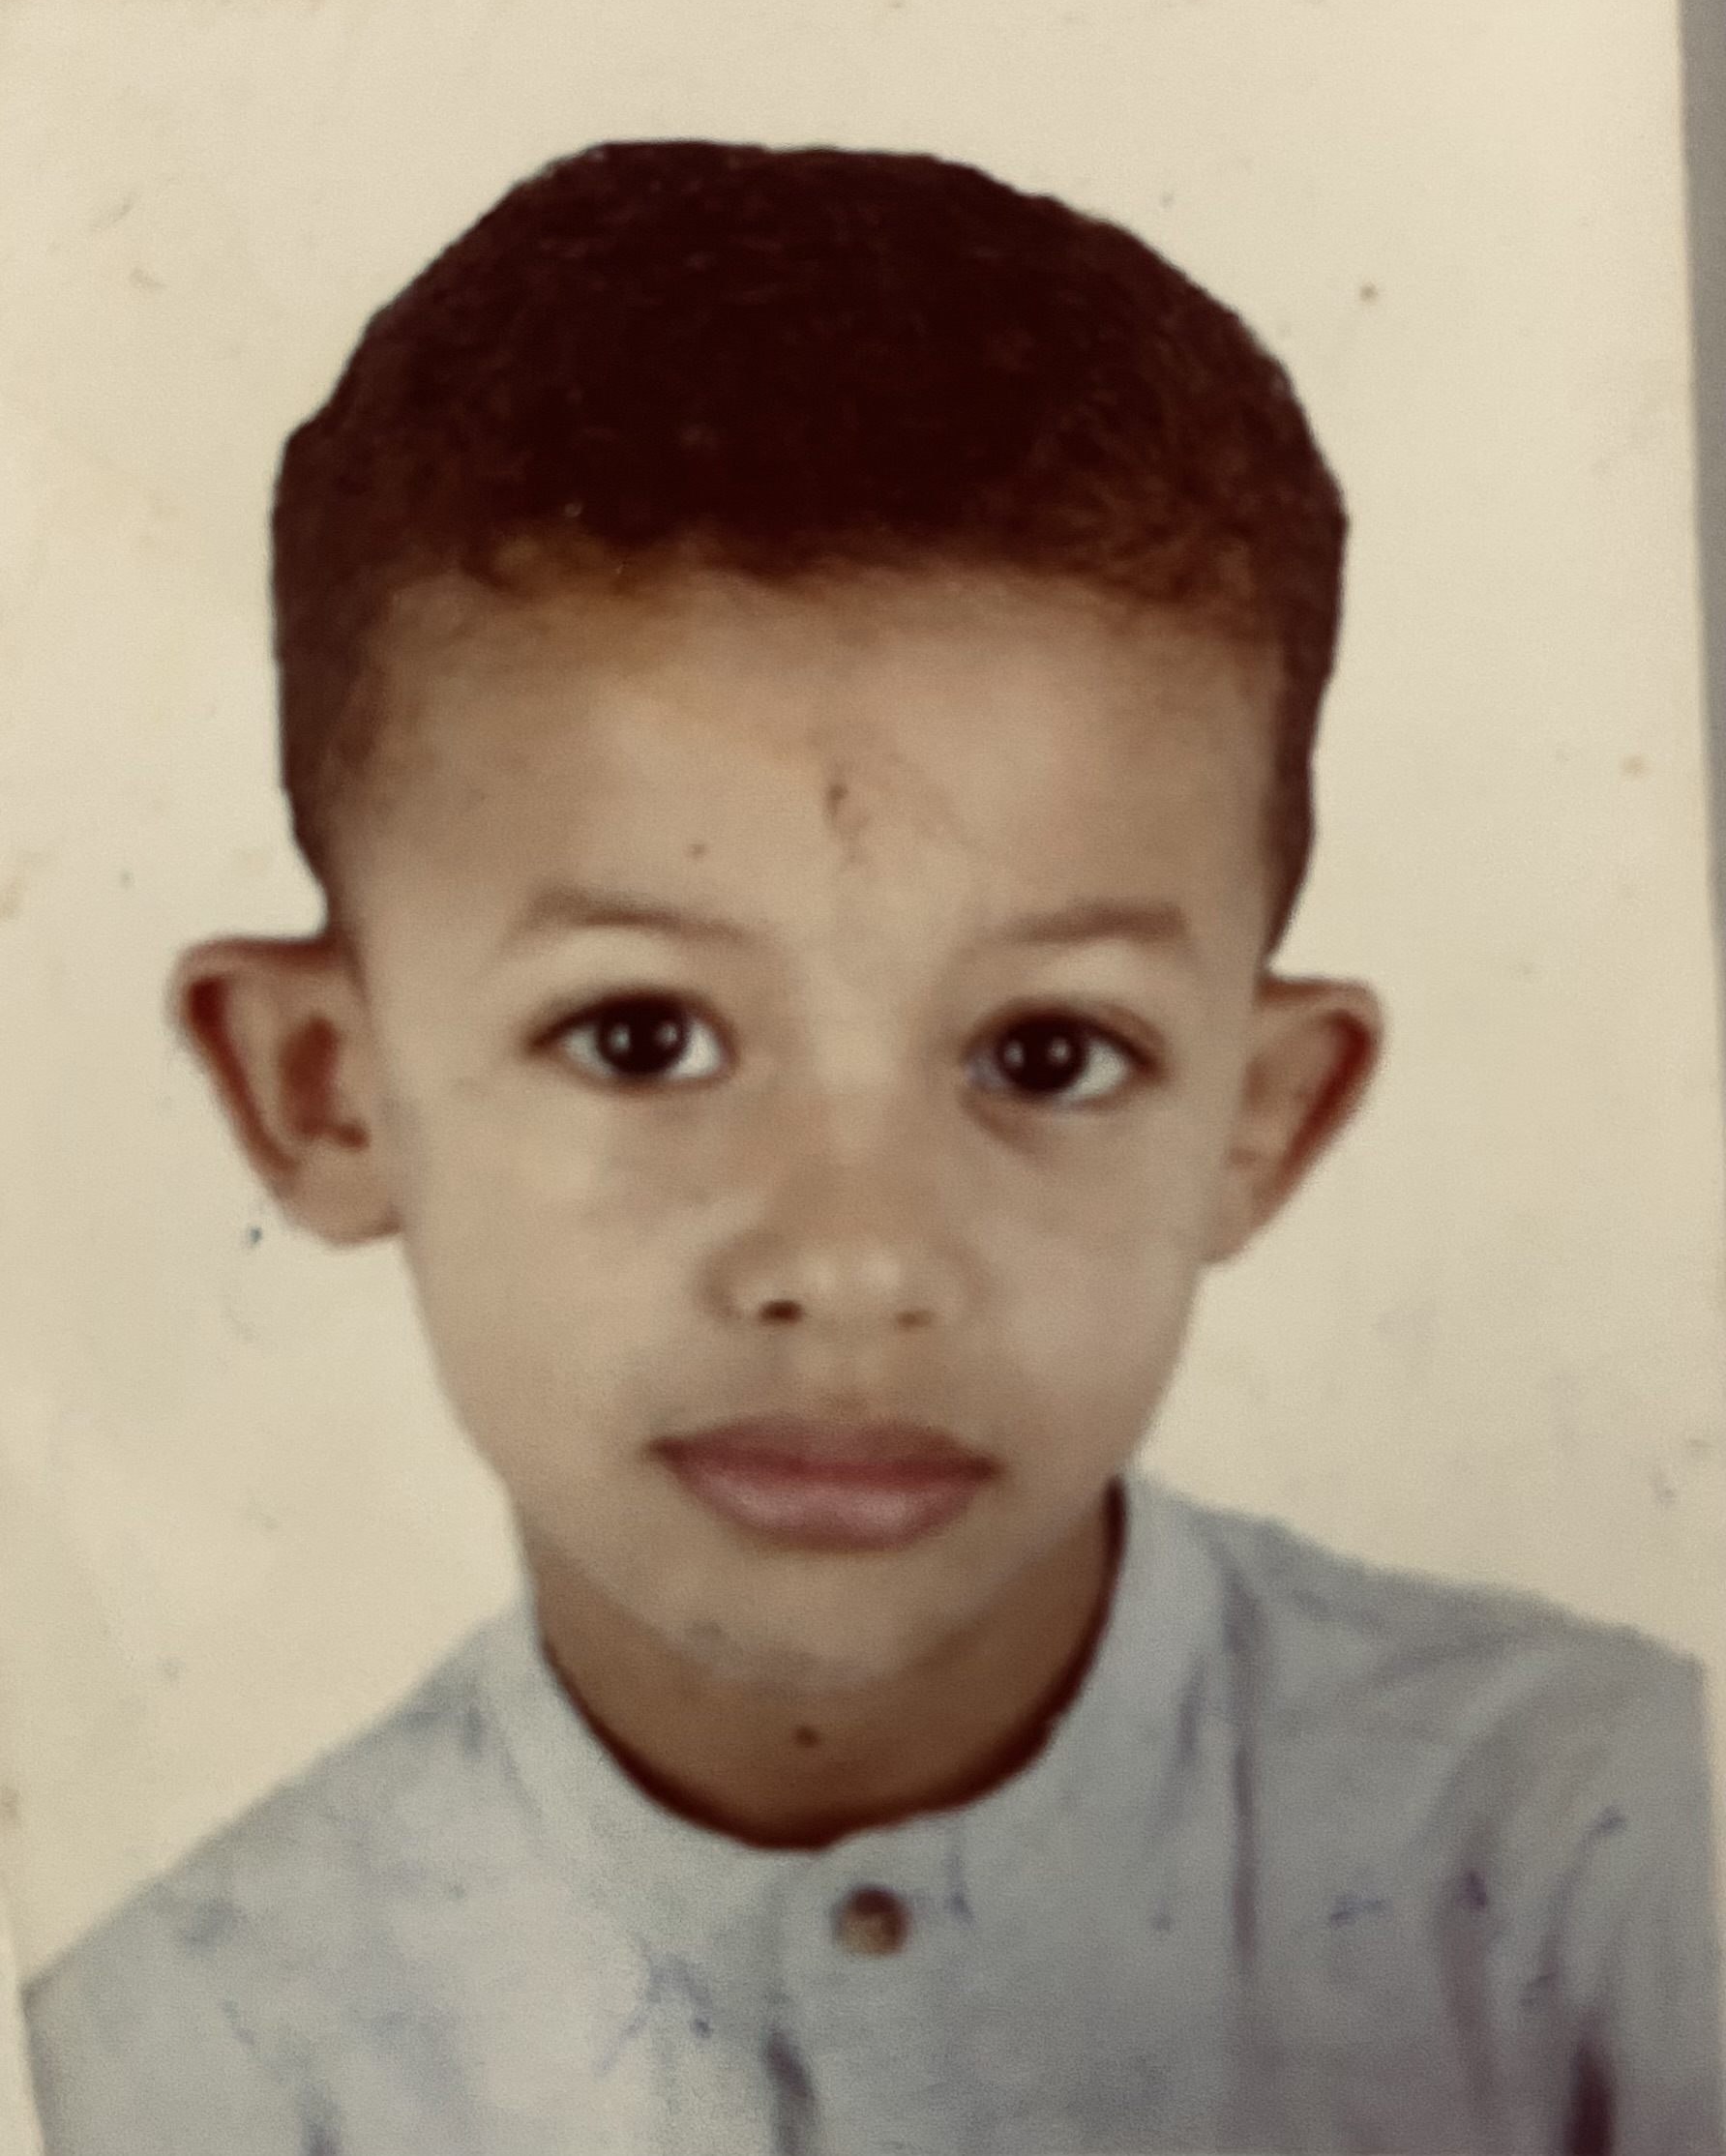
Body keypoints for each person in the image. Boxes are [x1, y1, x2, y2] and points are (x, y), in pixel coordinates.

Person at [22, 139, 1724, 2155]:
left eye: (1046, 1051)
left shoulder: (1619, 1865)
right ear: (324, 1087)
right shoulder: (161, 2072)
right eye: (641, 1037)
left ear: (1259, 1118)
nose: (854, 1260)